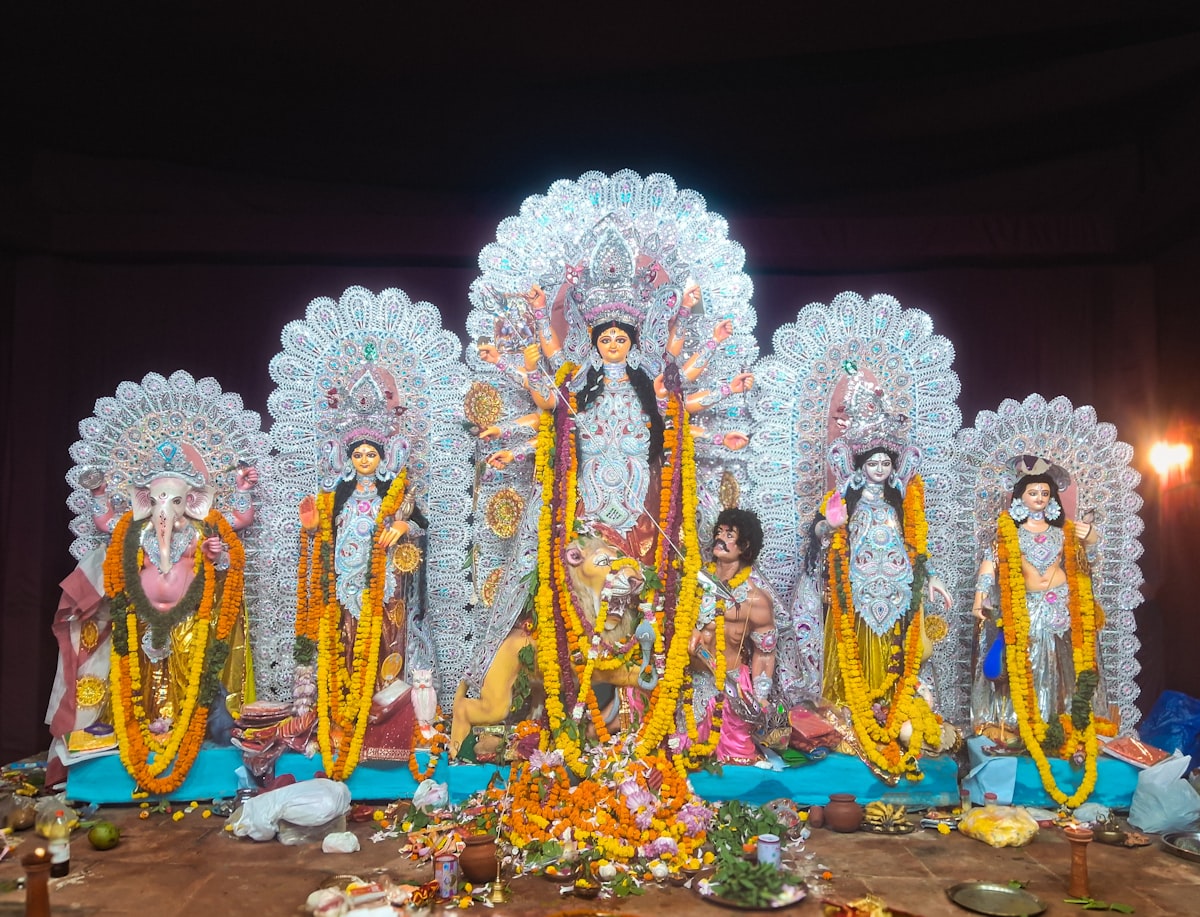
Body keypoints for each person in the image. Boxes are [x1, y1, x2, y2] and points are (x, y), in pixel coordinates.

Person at [802, 370, 952, 780]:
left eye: (887, 462)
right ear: (861, 464)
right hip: (856, 590)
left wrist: (932, 577)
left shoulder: (899, 501)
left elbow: (917, 547)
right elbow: (818, 533)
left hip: (898, 589)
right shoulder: (842, 497)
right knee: (854, 654)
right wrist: (829, 525)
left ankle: (890, 710)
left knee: (895, 657)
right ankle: (853, 718)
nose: (882, 469)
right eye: (875, 462)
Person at [292, 364, 426, 780]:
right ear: (346, 459)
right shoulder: (337, 498)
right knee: (346, 649)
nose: (365, 460)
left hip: (386, 591)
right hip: (345, 590)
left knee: (387, 645)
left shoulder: (398, 496)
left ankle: (386, 724)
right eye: (358, 454)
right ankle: (345, 721)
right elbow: (321, 542)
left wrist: (403, 525)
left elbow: (421, 528)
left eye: (372, 454)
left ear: (384, 458)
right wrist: (313, 529)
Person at [970, 455, 1112, 798]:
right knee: (1026, 665)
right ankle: (1023, 728)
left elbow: (1087, 561)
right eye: (1033, 492)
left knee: (1061, 667)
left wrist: (1090, 538)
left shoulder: (1063, 531)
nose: (1039, 498)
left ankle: (1060, 727)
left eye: (1044, 493)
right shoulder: (1008, 533)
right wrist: (979, 598)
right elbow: (991, 566)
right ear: (1020, 498)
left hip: (1062, 604)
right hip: (1026, 607)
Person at [689, 508, 790, 762]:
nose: (720, 538)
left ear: (744, 546)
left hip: (730, 688)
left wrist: (760, 697)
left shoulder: (756, 600)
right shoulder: (693, 584)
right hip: (690, 683)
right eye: (719, 532)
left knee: (738, 758)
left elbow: (765, 654)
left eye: (729, 534)